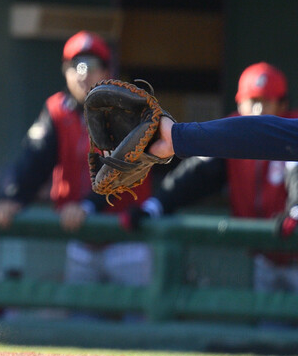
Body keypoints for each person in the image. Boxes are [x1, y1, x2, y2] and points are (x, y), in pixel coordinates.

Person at [0, 32, 153, 288]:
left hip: (127, 239)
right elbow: (34, 159)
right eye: (75, 66)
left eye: (91, 65)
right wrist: (11, 197)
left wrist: (86, 206)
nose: (82, 74)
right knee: (80, 322)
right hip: (82, 241)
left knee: (137, 323)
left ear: (108, 71)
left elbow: (121, 171)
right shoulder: (57, 110)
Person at [126, 63, 298, 293]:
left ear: (282, 104)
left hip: (293, 252)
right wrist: (154, 206)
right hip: (262, 258)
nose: (258, 111)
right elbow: (196, 175)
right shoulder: (231, 135)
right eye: (252, 102)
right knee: (266, 323)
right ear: (239, 103)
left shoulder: (290, 134)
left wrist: (296, 209)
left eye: (265, 102)